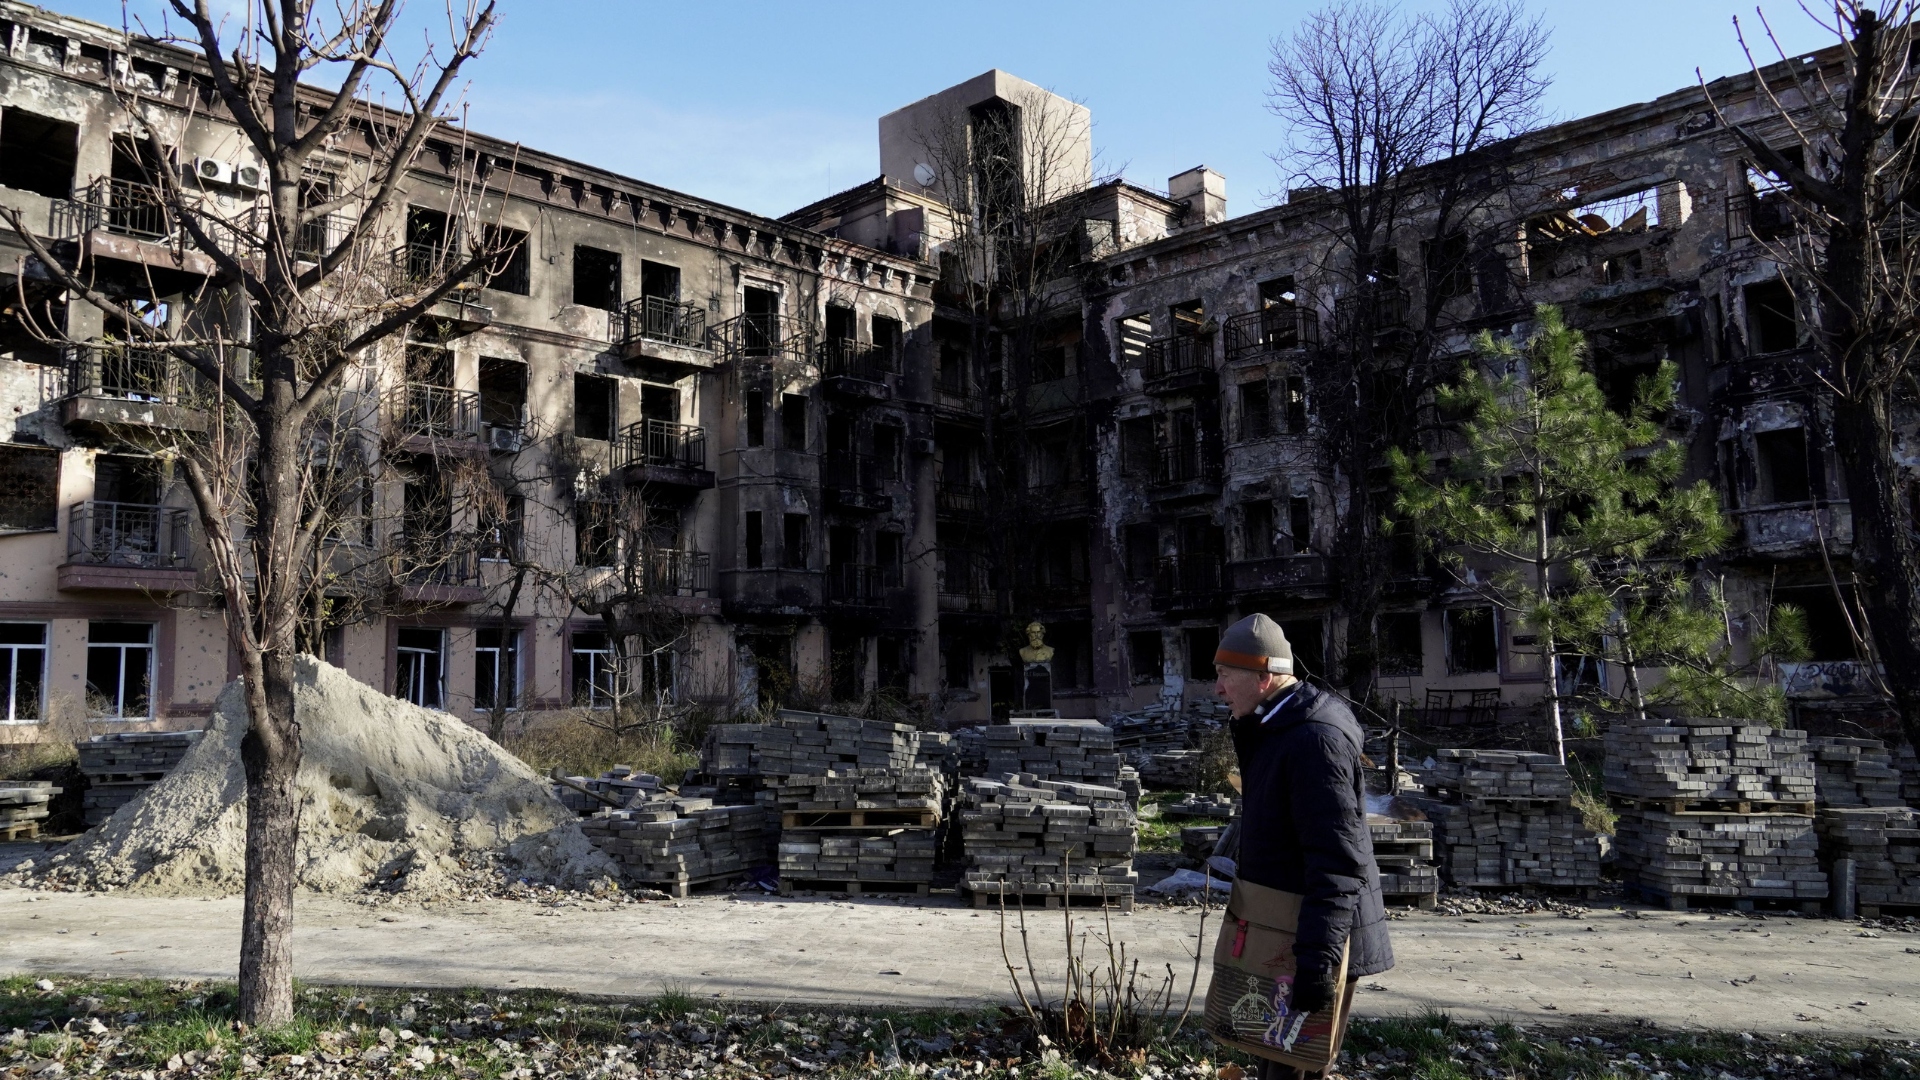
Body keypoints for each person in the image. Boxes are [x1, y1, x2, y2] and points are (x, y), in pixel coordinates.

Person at [1212, 613, 1392, 1079]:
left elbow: (1336, 859)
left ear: (1264, 677)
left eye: (1225, 676)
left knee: (1295, 1068)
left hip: (1314, 941)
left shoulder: (1314, 739)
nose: (1218, 689)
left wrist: (1318, 962)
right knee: (1279, 1064)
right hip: (1286, 933)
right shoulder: (1276, 726)